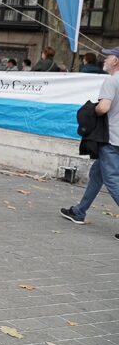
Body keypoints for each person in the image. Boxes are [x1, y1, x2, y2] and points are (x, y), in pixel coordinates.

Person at [61, 47, 119, 234]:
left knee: (111, 179)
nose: (104, 59)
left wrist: (91, 111)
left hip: (111, 138)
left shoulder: (112, 81)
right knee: (97, 175)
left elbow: (104, 107)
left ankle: (79, 211)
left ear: (116, 61)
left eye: (108, 56)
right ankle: (79, 211)